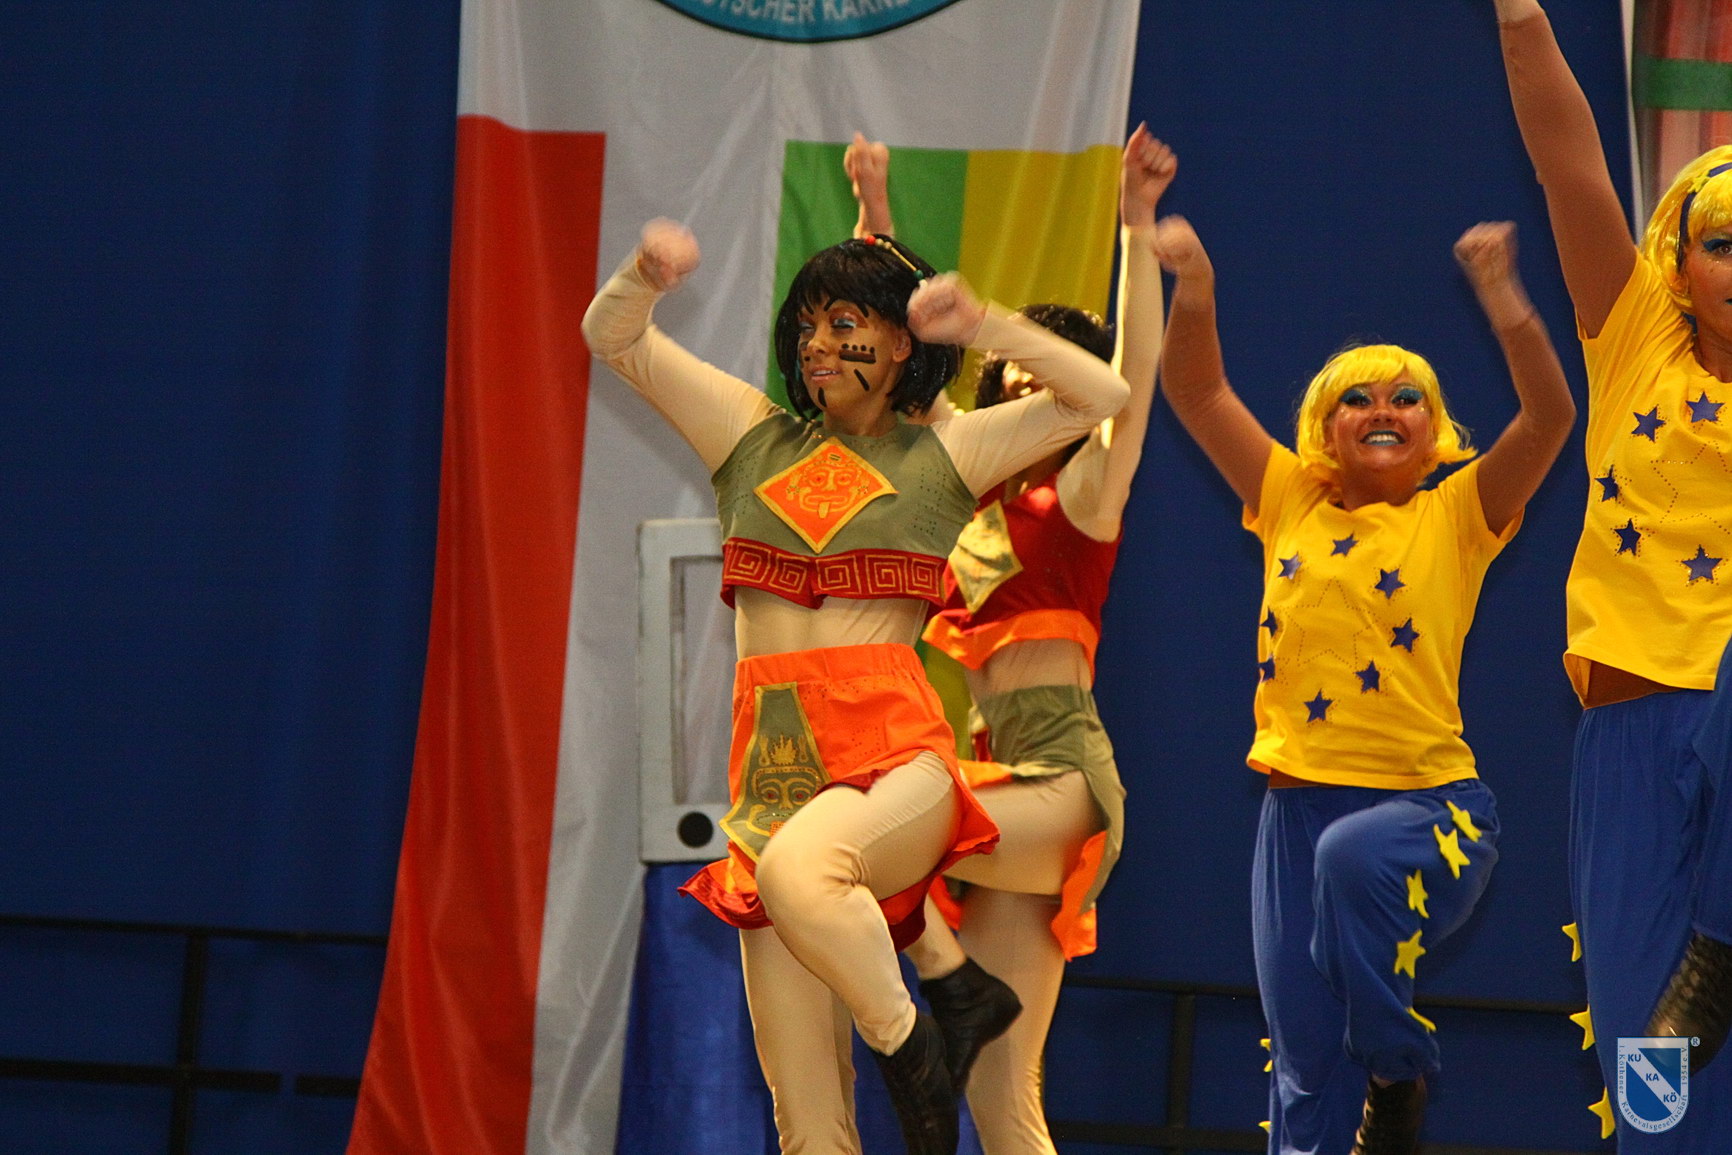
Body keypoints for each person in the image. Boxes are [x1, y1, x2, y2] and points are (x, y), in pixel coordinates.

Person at [581, 219, 1129, 1154]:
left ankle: (918, 1042)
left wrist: (985, 324)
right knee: (807, 1126)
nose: (818, 344)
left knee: (803, 872)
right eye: (808, 326)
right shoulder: (749, 435)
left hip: (891, 767)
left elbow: (1101, 394)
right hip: (771, 791)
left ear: (903, 345)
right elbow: (614, 333)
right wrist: (647, 271)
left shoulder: (946, 457)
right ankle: (940, 1015)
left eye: (845, 323)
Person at [1154, 212, 1573, 1155]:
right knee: (1302, 1065)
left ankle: (1397, 1072)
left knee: (1351, 859)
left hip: (1431, 809)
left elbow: (1550, 417)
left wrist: (1503, 296)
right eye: (1358, 398)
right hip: (1291, 813)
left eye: (1406, 397)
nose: (1383, 409)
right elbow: (1197, 388)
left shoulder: (1460, 511)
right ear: (1323, 428)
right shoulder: (1288, 497)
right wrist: (1198, 285)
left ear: (1435, 431)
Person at [845, 126, 1173, 1153]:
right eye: (1013, 374)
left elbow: (1134, 375)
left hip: (1060, 780)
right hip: (993, 781)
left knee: (844, 837)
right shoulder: (972, 491)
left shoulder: (1085, 496)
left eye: (1050, 371)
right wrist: (876, 216)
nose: (1030, 386)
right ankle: (951, 991)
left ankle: (932, 990)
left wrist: (1135, 222)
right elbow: (907, 359)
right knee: (1002, 1097)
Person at [1490, 1, 1732, 1145]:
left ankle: (1719, 942)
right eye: (1723, 242)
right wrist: (1518, 12)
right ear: (1678, 262)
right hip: (1633, 733)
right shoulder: (1632, 340)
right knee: (1652, 1071)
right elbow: (1568, 162)